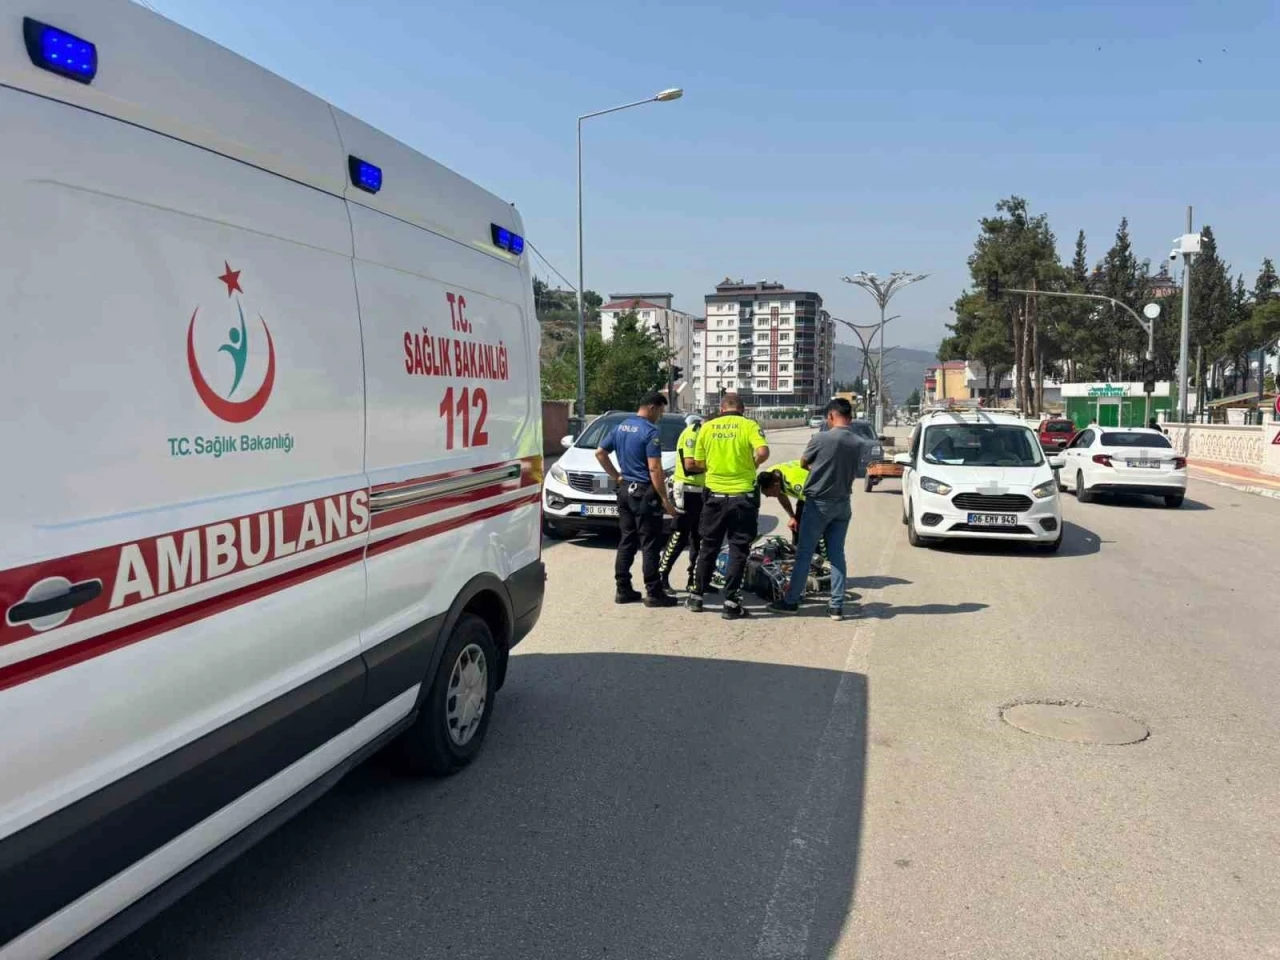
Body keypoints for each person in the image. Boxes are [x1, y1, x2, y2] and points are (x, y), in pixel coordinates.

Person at [769, 397, 860, 620]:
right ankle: (836, 606)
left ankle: (791, 602)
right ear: (850, 417)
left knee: (804, 553)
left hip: (818, 503)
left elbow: (803, 463)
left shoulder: (821, 438)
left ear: (831, 416)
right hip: (843, 503)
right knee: (837, 555)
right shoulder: (858, 442)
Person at [688, 394, 770, 619]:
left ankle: (696, 596)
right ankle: (731, 602)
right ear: (742, 409)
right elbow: (763, 452)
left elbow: (698, 462)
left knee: (708, 546)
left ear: (721, 408)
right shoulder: (749, 425)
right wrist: (753, 464)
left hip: (714, 496)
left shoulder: (707, 428)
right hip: (742, 497)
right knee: (738, 549)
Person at [595, 393, 679, 607]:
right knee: (650, 543)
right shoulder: (650, 431)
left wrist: (616, 476)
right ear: (652, 407)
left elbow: (600, 453)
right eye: (660, 411)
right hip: (644, 493)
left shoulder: (621, 426)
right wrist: (665, 499)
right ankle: (654, 593)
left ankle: (623, 589)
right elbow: (654, 468)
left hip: (625, 490)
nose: (660, 416)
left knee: (627, 540)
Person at [658, 413, 707, 593]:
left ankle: (695, 580)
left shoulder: (704, 434)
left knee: (699, 538)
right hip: (687, 491)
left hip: (702, 492)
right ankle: (662, 576)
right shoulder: (692, 433)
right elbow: (690, 465)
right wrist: (716, 466)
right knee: (679, 536)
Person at [758, 462, 828, 559]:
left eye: (769, 493)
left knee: (813, 532)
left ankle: (816, 557)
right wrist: (792, 517)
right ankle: (798, 554)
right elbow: (781, 495)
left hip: (821, 493)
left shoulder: (795, 483)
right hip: (807, 494)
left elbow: (816, 503)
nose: (767, 496)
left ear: (776, 485)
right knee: (797, 527)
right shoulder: (770, 475)